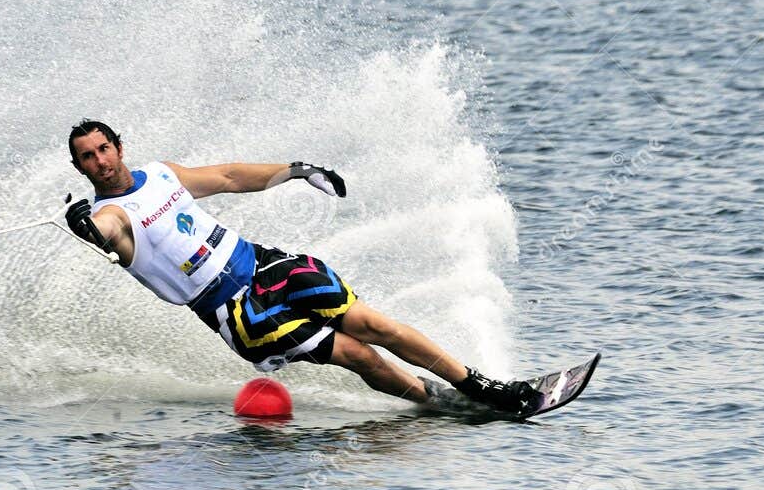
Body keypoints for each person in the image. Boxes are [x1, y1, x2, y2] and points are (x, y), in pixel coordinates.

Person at [62, 119, 539, 415]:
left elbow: (229, 176)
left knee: (377, 326)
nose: (100, 161)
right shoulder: (112, 215)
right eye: (88, 157)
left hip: (265, 264)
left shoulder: (162, 174)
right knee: (360, 355)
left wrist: (298, 170)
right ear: (80, 168)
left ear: (119, 147)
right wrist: (83, 226)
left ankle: (480, 386)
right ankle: (436, 402)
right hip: (236, 312)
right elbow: (104, 232)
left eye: (104, 149)